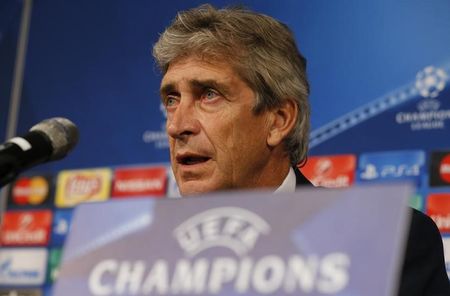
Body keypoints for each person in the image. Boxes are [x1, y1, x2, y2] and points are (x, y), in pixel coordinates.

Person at [153, 4, 449, 295]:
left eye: (209, 94)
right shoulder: (136, 257)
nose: (177, 126)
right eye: (172, 99)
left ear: (278, 121)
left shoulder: (389, 241)